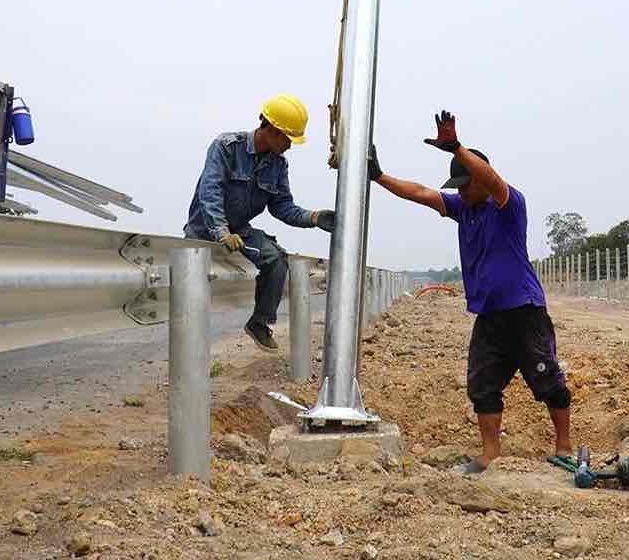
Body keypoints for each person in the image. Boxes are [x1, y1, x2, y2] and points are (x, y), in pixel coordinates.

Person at [368, 110, 571, 474]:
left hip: (524, 311)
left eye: (465, 183)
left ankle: (564, 446)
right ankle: (490, 453)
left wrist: (457, 148)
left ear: (480, 178)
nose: (460, 190)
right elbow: (421, 193)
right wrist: (378, 176)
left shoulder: (508, 205)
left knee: (546, 378)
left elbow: (493, 179)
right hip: (489, 315)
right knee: (482, 384)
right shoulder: (464, 209)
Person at [185, 93, 336, 351]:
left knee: (276, 260)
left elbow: (282, 206)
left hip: (239, 230)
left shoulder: (278, 165)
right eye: (288, 139)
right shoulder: (226, 147)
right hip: (206, 228)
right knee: (192, 305)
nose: (290, 146)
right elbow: (210, 192)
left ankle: (259, 322)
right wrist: (221, 231)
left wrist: (313, 217)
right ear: (272, 130)